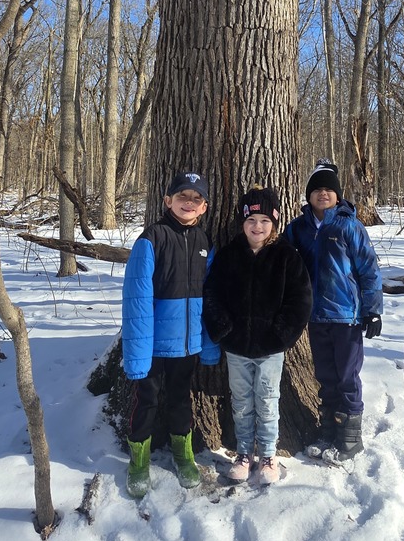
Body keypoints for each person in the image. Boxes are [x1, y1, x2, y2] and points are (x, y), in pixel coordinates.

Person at [203, 186, 312, 485]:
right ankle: (243, 453)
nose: (257, 226)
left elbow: (300, 300)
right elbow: (211, 294)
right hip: (237, 347)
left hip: (270, 348)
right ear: (242, 222)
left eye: (265, 221)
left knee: (267, 400)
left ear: (274, 223)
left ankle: (267, 455)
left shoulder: (286, 256)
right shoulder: (229, 255)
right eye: (251, 220)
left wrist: (280, 335)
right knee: (241, 402)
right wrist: (223, 329)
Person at [121, 171, 218, 498]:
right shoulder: (152, 239)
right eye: (182, 196)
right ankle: (138, 459)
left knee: (180, 400)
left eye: (196, 198)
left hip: (187, 344)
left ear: (204, 207)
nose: (188, 203)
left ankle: (183, 454)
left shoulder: (205, 243)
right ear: (167, 201)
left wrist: (208, 344)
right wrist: (137, 356)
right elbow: (136, 300)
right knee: (146, 401)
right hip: (152, 345)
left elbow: (210, 297)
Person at [284, 160, 383, 465]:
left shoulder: (349, 226)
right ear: (309, 195)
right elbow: (282, 260)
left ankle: (350, 438)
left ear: (338, 195)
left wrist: (372, 310)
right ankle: (328, 431)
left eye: (329, 189)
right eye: (317, 189)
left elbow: (369, 269)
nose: (323, 194)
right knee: (325, 376)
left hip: (346, 316)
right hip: (315, 317)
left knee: (347, 377)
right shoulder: (298, 228)